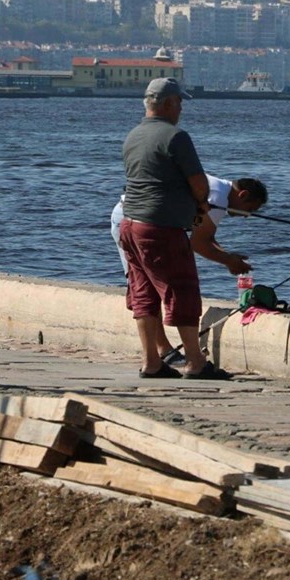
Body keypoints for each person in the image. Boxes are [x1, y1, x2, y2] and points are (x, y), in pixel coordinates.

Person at [118, 77, 231, 379]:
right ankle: (195, 362)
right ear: (168, 103)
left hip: (130, 226)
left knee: (143, 296)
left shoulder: (133, 135)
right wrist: (201, 203)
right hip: (161, 229)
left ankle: (151, 362)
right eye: (179, 101)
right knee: (182, 289)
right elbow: (198, 183)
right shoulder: (176, 137)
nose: (181, 107)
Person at [111, 175, 267, 365]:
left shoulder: (218, 190)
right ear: (242, 195)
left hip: (131, 217)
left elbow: (205, 237)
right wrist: (228, 261)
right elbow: (198, 243)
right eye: (249, 209)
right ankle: (167, 352)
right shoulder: (218, 196)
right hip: (137, 221)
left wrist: (228, 257)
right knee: (151, 288)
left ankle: (160, 354)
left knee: (148, 287)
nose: (247, 216)